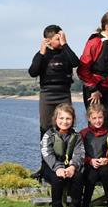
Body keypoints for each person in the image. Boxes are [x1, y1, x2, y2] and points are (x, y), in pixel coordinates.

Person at [28, 25, 80, 178]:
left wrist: (64, 44)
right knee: (45, 131)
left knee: (65, 129)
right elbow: (33, 72)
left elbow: (76, 62)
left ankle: (66, 164)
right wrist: (42, 52)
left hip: (64, 93)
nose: (61, 39)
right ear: (48, 40)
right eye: (58, 38)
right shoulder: (42, 54)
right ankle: (45, 167)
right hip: (47, 95)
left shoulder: (65, 52)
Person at [77, 11, 108, 124]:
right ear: (107, 26)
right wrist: (93, 89)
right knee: (96, 122)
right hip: (95, 90)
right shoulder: (95, 42)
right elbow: (83, 69)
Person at [41, 103, 85, 207]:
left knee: (79, 176)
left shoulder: (77, 136)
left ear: (73, 120)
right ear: (56, 119)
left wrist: (72, 167)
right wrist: (58, 168)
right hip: (52, 167)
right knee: (57, 179)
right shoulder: (48, 135)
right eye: (61, 118)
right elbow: (47, 153)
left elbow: (79, 154)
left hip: (70, 167)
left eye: (68, 118)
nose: (64, 121)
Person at [79, 103, 108, 207]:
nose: (97, 121)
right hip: (90, 165)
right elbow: (79, 153)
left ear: (104, 117)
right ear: (89, 118)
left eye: (100, 117)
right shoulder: (83, 133)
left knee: (105, 173)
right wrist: (90, 161)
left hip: (106, 165)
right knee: (91, 176)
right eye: (94, 118)